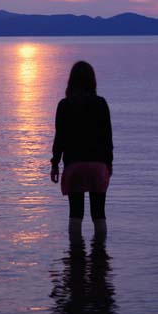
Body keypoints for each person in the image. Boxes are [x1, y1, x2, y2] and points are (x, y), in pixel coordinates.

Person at [50, 61, 113, 236]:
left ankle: (75, 257)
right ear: (92, 81)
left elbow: (59, 138)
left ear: (71, 81)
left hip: (74, 166)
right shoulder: (101, 104)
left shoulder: (64, 105)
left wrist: (55, 164)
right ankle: (100, 256)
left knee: (75, 215)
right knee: (99, 215)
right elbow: (107, 138)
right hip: (98, 165)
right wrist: (109, 164)